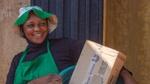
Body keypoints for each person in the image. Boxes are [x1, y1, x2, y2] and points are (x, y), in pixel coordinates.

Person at [6, 5, 137, 84]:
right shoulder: (17, 60)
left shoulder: (64, 46)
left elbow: (103, 58)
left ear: (47, 26)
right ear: (22, 30)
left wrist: (126, 75)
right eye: (30, 25)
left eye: (42, 24)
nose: (37, 29)